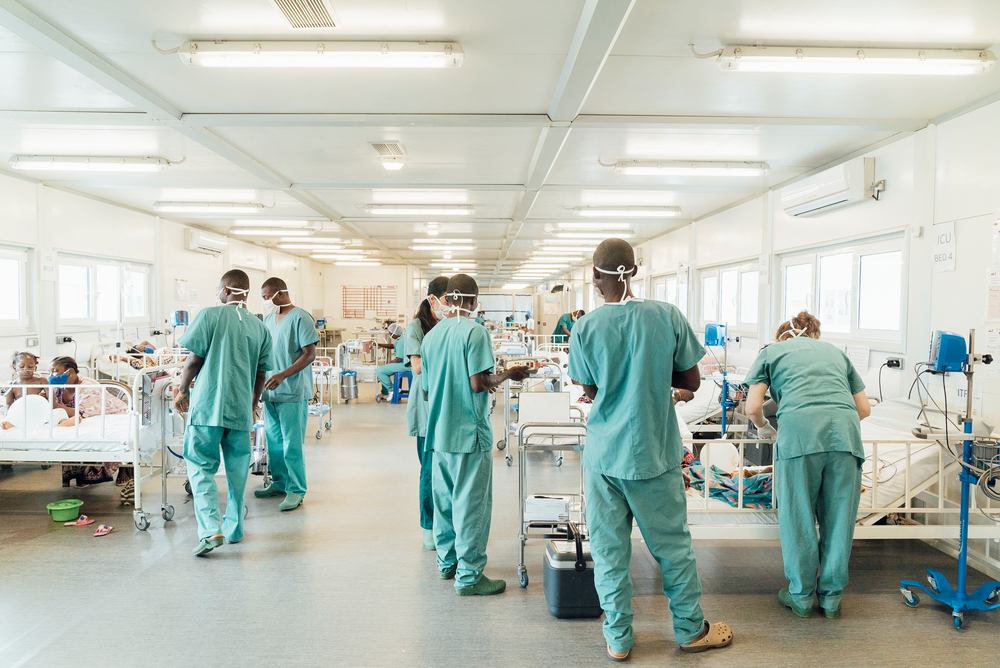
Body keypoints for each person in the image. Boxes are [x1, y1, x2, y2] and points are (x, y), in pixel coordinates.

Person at [568, 238, 733, 660]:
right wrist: (660, 386)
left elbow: (589, 388)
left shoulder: (585, 328)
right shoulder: (667, 316)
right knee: (673, 549)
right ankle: (691, 630)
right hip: (654, 454)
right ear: (635, 272)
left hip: (605, 457)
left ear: (595, 277)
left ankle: (619, 640)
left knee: (609, 551)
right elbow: (693, 383)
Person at [745, 311, 871, 619]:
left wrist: (764, 427)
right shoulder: (836, 353)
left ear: (781, 336)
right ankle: (831, 598)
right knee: (839, 519)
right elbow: (864, 409)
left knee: (798, 515)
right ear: (814, 333)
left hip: (799, 438)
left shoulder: (771, 352)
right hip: (846, 439)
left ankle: (800, 596)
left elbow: (752, 408)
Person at [421, 274, 531, 595]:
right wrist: (509, 374)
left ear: (448, 300)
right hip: (469, 433)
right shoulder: (475, 331)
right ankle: (469, 576)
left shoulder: (432, 336)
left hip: (440, 432)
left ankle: (447, 563)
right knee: (471, 505)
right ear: (471, 300)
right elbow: (478, 383)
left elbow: (428, 388)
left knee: (444, 502)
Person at [173, 269, 272, 557]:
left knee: (201, 467)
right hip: (240, 410)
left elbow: (193, 360)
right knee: (238, 470)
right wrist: (253, 405)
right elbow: (261, 374)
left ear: (226, 291)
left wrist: (182, 389)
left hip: (207, 407)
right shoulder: (259, 327)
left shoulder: (209, 316)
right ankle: (235, 527)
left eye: (219, 290)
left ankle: (210, 530)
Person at [254, 277, 318, 512]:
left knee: (292, 445)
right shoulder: (270, 319)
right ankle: (280, 482)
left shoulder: (301, 317)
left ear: (280, 294)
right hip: (270, 392)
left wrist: (282, 375)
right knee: (275, 443)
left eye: (266, 297)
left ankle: (296, 490)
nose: (265, 302)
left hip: (292, 391)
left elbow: (309, 354)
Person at [403, 275, 450, 550]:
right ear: (433, 299)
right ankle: (428, 526)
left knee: (448, 472)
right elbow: (418, 367)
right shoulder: (417, 327)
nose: (451, 305)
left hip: (448, 406)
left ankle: (446, 522)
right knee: (430, 472)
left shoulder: (455, 325)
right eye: (447, 300)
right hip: (426, 406)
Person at [49, 356, 130, 487]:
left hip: (112, 415)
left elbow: (82, 412)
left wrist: (55, 406)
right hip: (83, 418)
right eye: (49, 372)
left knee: (101, 433)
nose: (50, 375)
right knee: (71, 433)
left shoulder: (89, 386)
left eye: (54, 371)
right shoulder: (58, 387)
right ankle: (81, 474)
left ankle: (125, 469)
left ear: (69, 372)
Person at [375, 323, 408, 403]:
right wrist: (379, 344)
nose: (389, 334)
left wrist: (390, 363)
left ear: (394, 333)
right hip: (404, 363)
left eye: (390, 332)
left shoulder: (401, 342)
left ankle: (393, 390)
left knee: (380, 371)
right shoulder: (401, 339)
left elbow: (399, 359)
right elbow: (393, 346)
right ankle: (385, 393)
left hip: (405, 365)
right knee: (385, 370)